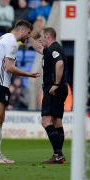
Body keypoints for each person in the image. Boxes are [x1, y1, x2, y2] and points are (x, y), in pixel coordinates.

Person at [0, 19, 40, 164]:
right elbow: (9, 67)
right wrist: (29, 74)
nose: (27, 37)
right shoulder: (13, 42)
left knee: (0, 118)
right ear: (21, 29)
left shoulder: (3, 37)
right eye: (27, 33)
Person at [29, 27, 68, 164]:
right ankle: (58, 155)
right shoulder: (50, 50)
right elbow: (39, 48)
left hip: (54, 88)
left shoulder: (54, 49)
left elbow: (60, 63)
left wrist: (56, 84)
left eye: (42, 37)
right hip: (60, 88)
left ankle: (58, 154)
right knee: (57, 121)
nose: (40, 40)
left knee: (46, 120)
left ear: (47, 37)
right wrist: (29, 36)